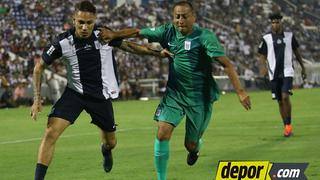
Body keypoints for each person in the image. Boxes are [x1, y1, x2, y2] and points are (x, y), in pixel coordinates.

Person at [99, 1, 251, 180]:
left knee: (191, 145)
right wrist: (114, 34)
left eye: (184, 16)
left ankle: (195, 149)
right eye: (177, 16)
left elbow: (227, 64)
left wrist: (240, 92)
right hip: (175, 94)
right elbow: (138, 32)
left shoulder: (204, 37)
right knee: (162, 133)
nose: (180, 20)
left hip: (199, 98)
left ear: (193, 17)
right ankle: (161, 178)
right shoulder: (167, 31)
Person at [30, 1, 171, 180]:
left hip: (100, 97)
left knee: (111, 142)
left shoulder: (103, 35)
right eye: (80, 22)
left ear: (94, 21)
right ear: (74, 20)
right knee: (50, 132)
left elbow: (130, 47)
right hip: (74, 94)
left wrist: (156, 53)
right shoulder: (62, 42)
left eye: (89, 23)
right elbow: (38, 67)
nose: (84, 27)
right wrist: (36, 99)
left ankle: (105, 150)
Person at [258, 12, 306, 137]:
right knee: (280, 101)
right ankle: (286, 126)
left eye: (277, 22)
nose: (274, 24)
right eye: (272, 22)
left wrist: (303, 67)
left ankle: (289, 125)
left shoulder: (290, 36)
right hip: (273, 73)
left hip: (287, 71)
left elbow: (297, 52)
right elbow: (262, 56)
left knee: (285, 97)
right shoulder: (266, 38)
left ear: (281, 22)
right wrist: (263, 68)